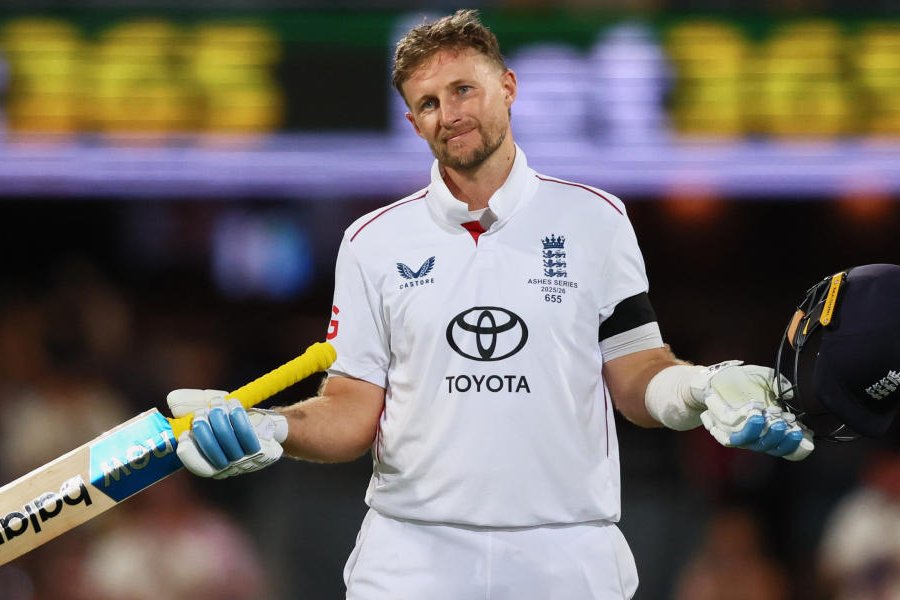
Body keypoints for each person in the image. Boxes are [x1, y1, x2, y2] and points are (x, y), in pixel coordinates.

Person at [166, 10, 813, 599]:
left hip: (567, 557)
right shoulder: (371, 242)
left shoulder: (596, 219)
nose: (448, 113)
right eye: (427, 103)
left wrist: (702, 387)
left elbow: (638, 376)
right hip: (411, 558)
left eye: (463, 90)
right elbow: (352, 411)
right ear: (412, 122)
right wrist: (270, 429)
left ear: (507, 86)